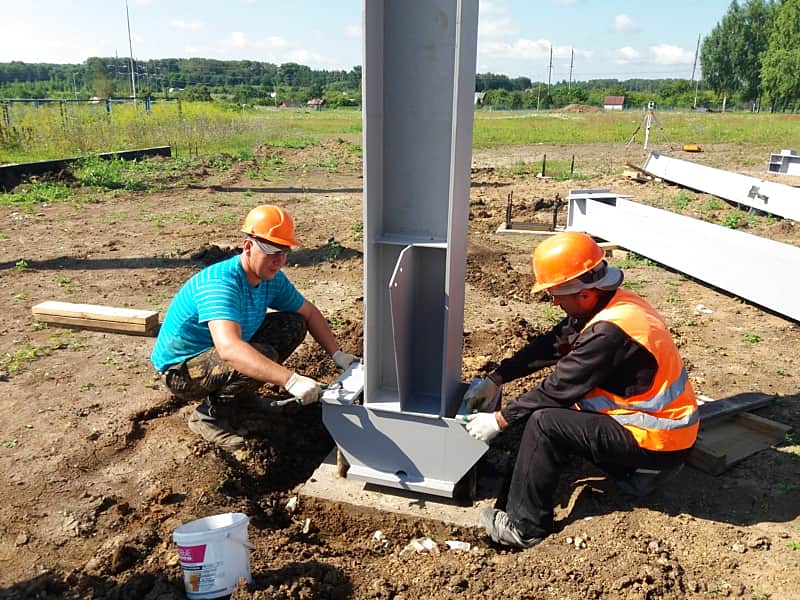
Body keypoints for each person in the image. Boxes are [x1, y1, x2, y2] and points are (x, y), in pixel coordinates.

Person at [463, 231, 698, 549]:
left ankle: (524, 528)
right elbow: (552, 344)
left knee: (544, 423)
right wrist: (497, 378)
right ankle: (629, 470)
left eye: (556, 294)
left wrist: (499, 420)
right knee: (553, 415)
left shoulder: (608, 332)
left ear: (584, 293)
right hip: (655, 429)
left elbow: (557, 389)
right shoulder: (610, 304)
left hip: (658, 441)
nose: (554, 302)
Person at [151, 204, 358, 451]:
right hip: (181, 372)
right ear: (248, 247)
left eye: (284, 252)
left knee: (293, 324)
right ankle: (208, 416)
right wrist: (290, 380)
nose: (278, 261)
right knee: (260, 355)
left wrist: (337, 354)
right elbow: (230, 349)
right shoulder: (220, 284)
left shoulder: (271, 278)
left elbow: (309, 313)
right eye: (271, 252)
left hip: (216, 354)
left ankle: (241, 397)